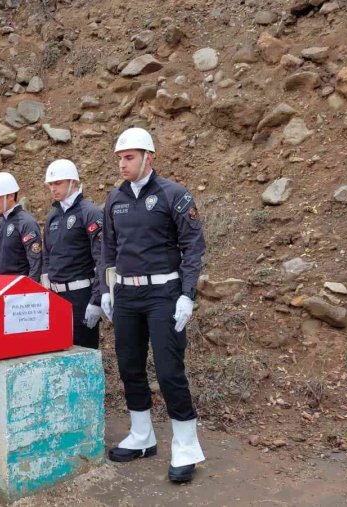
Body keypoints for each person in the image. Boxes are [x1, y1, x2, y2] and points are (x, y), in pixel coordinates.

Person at [102, 127, 206, 483]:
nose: (122, 163)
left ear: (149, 157)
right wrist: (107, 288)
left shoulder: (172, 194)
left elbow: (193, 245)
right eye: (119, 157)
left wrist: (186, 294)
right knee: (129, 365)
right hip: (127, 296)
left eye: (129, 157)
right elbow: (109, 250)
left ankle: (186, 445)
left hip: (164, 294)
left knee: (168, 369)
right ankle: (142, 435)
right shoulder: (114, 199)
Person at [41, 160, 105, 349]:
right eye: (51, 184)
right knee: (58, 352)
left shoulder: (90, 212)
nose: (53, 188)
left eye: (58, 183)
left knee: (83, 352)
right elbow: (47, 253)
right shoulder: (53, 215)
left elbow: (102, 258)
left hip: (81, 295)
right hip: (56, 296)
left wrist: (97, 299)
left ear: (73, 182)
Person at [0, 172, 42, 282]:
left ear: (11, 196)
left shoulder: (26, 222)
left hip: (17, 290)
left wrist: (30, 289)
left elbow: (35, 261)